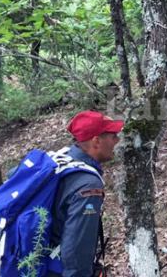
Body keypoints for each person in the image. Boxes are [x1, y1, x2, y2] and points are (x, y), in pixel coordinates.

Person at [48, 110, 124, 277]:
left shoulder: (61, 160)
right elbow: (77, 249)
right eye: (113, 136)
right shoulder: (88, 186)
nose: (117, 140)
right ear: (96, 141)